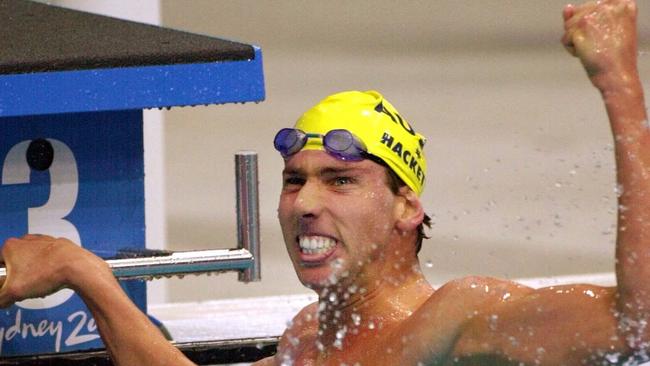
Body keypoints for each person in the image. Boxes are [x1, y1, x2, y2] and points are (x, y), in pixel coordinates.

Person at [0, 0, 646, 364]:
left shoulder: (462, 319)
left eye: (340, 181)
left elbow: (637, 327)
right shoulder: (310, 338)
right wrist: (85, 272)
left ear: (406, 207)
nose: (304, 204)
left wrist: (618, 83)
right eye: (294, 181)